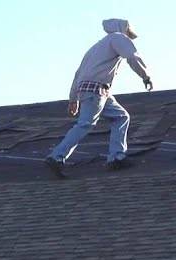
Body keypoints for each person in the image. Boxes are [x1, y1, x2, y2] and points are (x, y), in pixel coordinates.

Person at [45, 19, 152, 177]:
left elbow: (78, 74)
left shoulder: (95, 47)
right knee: (85, 124)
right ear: (123, 29)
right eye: (128, 33)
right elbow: (132, 56)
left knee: (121, 117)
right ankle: (57, 156)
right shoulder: (118, 38)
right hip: (97, 88)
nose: (128, 36)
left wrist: (73, 99)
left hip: (91, 90)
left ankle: (117, 157)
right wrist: (145, 76)